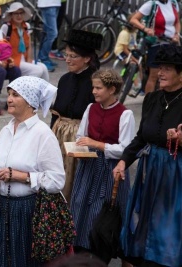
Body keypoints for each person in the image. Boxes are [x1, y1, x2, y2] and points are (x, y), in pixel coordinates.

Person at [0, 76, 65, 266]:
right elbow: (2, 170)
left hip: (27, 213)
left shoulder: (42, 134)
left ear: (31, 102)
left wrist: (20, 176)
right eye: (8, 94)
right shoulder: (7, 129)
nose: (9, 99)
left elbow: (56, 181)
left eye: (16, 95)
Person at [113, 44, 182, 267]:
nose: (160, 73)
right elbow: (141, 137)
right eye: (159, 68)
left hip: (175, 174)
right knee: (143, 223)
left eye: (167, 69)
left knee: (169, 226)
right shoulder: (152, 99)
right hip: (150, 170)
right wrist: (123, 160)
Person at [70, 69, 135, 267]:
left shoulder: (125, 114)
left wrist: (98, 145)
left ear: (112, 89)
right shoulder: (91, 108)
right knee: (80, 206)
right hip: (88, 167)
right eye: (93, 87)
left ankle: (101, 255)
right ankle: (81, 253)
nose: (94, 91)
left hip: (110, 170)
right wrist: (78, 147)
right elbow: (81, 135)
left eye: (98, 88)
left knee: (103, 212)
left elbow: (126, 148)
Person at [50, 29, 102, 203]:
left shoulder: (96, 83)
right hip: (59, 136)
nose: (67, 60)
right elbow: (56, 113)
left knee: (74, 184)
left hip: (81, 139)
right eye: (66, 55)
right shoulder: (65, 79)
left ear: (87, 58)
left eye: (73, 56)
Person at [130, 0, 180, 95]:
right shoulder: (152, 4)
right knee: (154, 76)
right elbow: (133, 19)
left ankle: (164, 101)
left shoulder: (174, 3)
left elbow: (177, 22)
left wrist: (177, 34)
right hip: (157, 43)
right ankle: (148, 103)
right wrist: (145, 29)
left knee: (170, 76)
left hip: (171, 44)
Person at [1, 2, 50, 82]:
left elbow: (29, 46)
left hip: (24, 58)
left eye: (21, 13)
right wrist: (7, 61)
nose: (19, 16)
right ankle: (23, 91)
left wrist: (29, 60)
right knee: (37, 70)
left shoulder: (26, 26)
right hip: (13, 60)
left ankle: (45, 93)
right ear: (11, 15)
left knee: (43, 67)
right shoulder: (6, 27)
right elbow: (2, 47)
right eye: (16, 13)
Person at [114, 16, 142, 97]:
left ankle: (138, 86)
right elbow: (125, 49)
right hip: (121, 51)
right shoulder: (124, 33)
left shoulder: (134, 32)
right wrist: (135, 59)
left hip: (130, 50)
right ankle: (127, 83)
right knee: (131, 63)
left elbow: (134, 44)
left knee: (139, 65)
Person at [37, 0, 61, 72]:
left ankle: (44, 58)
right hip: (48, 4)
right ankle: (43, 58)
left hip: (55, 3)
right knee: (52, 33)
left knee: (47, 32)